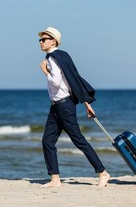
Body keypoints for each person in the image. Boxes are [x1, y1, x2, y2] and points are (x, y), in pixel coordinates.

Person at [38, 26, 110, 188]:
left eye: (44, 39)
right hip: (56, 106)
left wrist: (45, 71)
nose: (41, 42)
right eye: (40, 40)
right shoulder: (63, 56)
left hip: (64, 106)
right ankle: (55, 179)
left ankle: (103, 173)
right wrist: (86, 104)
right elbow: (74, 80)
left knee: (78, 140)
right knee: (47, 141)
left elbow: (56, 82)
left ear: (53, 41)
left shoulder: (53, 59)